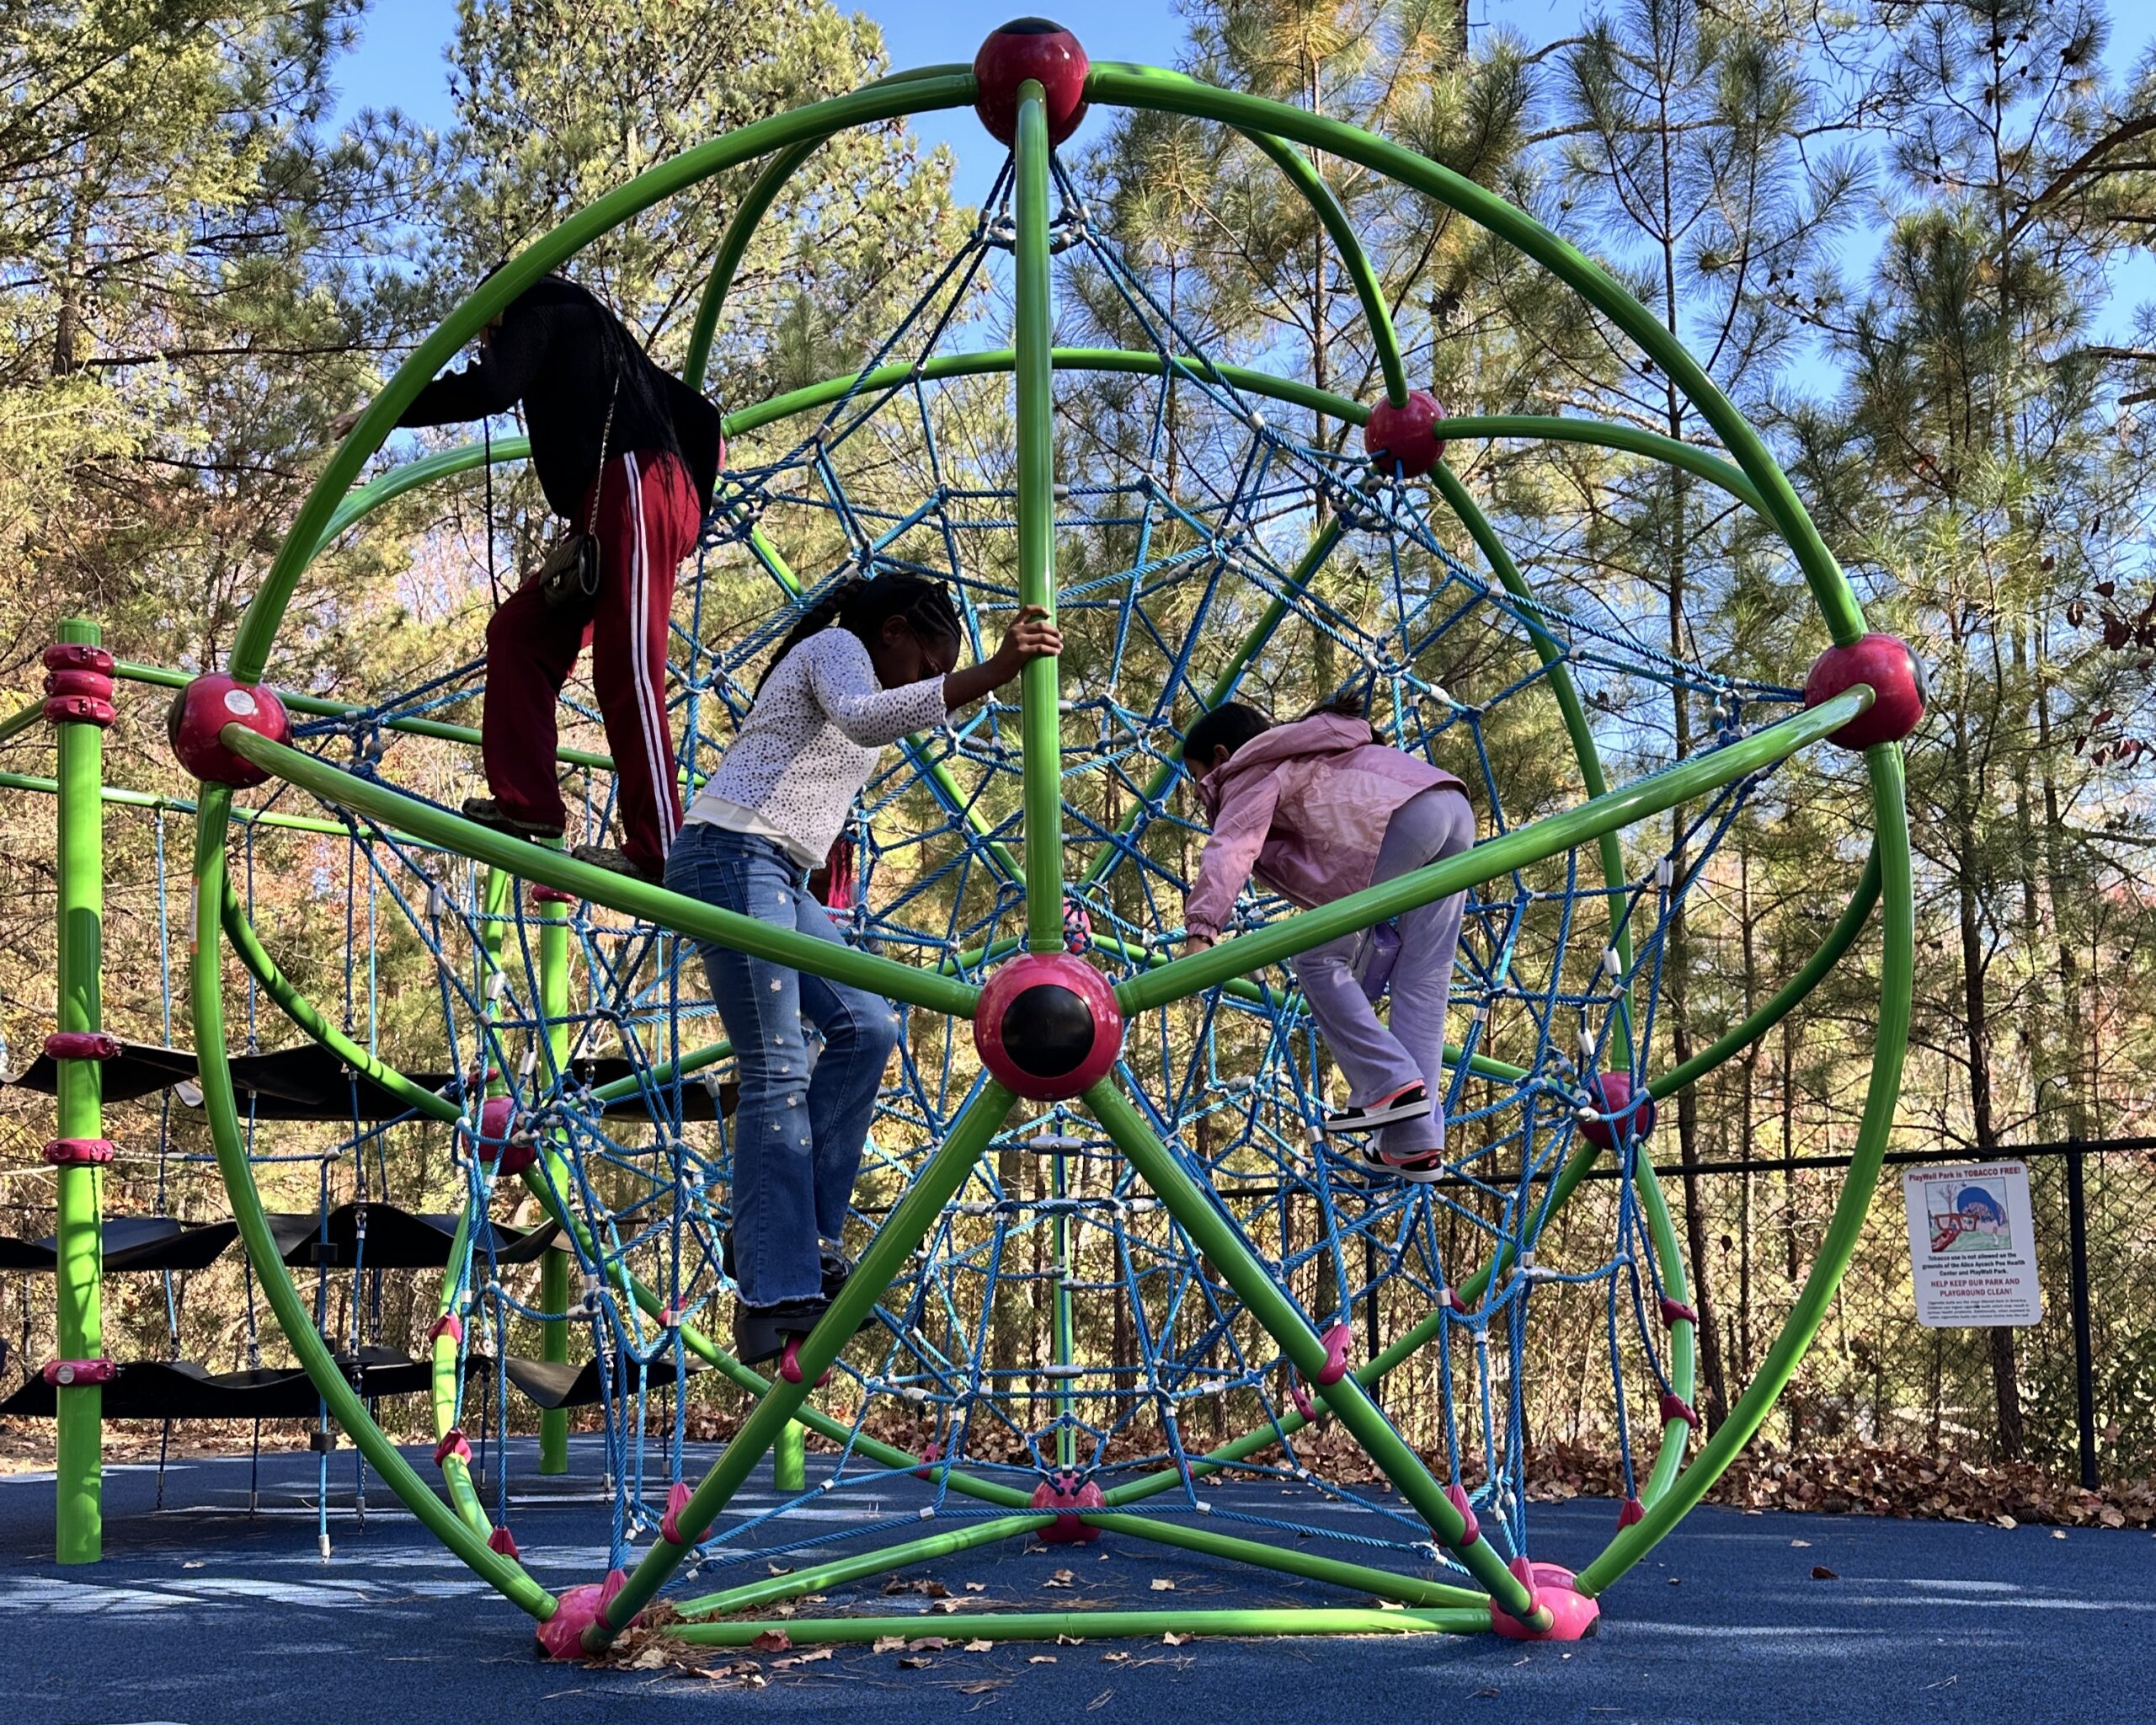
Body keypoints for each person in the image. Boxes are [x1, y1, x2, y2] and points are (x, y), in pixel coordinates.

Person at [666, 574, 1059, 1364]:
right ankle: (774, 1291)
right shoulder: (840, 648)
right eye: (923, 663)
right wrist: (988, 675)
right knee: (776, 1065)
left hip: (775, 870)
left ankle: (796, 1241)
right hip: (731, 853)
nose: (920, 680)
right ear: (890, 632)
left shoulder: (854, 660)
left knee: (869, 1024)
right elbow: (863, 714)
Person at [341, 270, 725, 883]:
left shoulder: (543, 300)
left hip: (636, 486)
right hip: (610, 504)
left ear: (495, 310)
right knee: (519, 631)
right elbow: (703, 418)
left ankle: (660, 848)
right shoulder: (597, 349)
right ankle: (529, 809)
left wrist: (390, 412)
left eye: (485, 333)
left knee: (628, 665)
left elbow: (492, 386)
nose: (486, 346)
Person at [1180, 696, 1476, 1182]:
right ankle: (1416, 1139)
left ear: (1218, 754)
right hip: (1449, 806)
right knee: (1424, 974)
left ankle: (1390, 1083)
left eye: (1196, 775)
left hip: (1395, 821)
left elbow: (1234, 845)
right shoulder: (1315, 746)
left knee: (1316, 958)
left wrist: (1202, 930)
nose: (1199, 790)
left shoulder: (1251, 765)